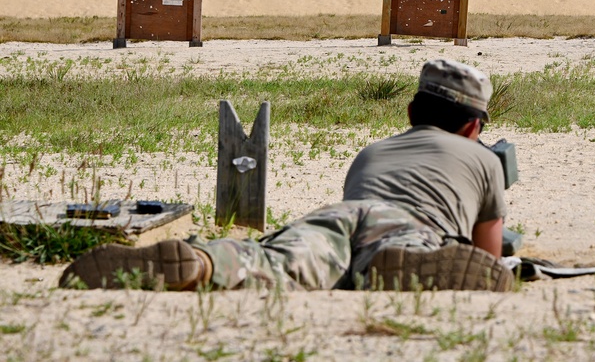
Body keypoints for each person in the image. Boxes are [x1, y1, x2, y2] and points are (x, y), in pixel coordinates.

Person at [61, 59, 513, 292]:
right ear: (474, 127)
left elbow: (364, 214)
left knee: (281, 261)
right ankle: (401, 268)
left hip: (338, 215)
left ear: (411, 111)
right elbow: (487, 256)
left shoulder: (372, 152)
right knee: (391, 253)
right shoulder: (485, 161)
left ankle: (206, 263)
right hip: (409, 227)